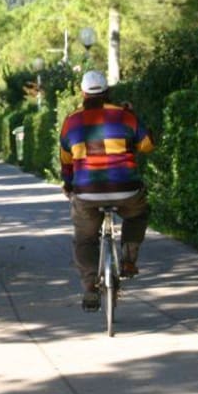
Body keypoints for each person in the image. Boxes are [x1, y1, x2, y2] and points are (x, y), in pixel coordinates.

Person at [59, 70, 154, 312]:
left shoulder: (71, 121)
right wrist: (132, 117)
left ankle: (90, 286)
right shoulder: (123, 116)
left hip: (87, 192)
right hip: (126, 189)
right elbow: (147, 145)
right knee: (137, 214)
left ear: (82, 94)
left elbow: (66, 161)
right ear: (107, 91)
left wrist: (69, 185)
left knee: (85, 239)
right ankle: (129, 260)